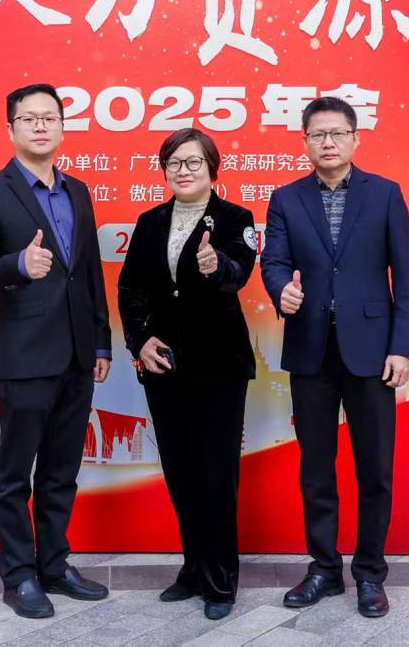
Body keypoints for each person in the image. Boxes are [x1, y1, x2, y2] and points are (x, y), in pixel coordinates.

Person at [260, 96, 409, 618]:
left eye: (337, 133)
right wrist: (282, 290)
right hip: (311, 350)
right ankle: (324, 569)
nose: (327, 143)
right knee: (316, 468)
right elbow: (274, 261)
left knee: (375, 469)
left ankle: (370, 574)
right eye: (317, 135)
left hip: (372, 352)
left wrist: (401, 346)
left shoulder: (385, 194)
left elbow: (407, 277)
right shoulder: (286, 198)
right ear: (304, 141)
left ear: (355, 138)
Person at [0, 83, 113, 619]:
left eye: (50, 117)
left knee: (60, 471)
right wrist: (18, 266)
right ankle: (19, 576)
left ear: (63, 128)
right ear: (11, 129)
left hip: (77, 356)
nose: (41, 126)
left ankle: (54, 564)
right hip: (25, 356)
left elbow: (89, 273)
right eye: (29, 119)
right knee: (14, 474)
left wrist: (100, 340)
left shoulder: (78, 192)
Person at [117, 128, 258, 621]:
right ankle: (193, 569)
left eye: (194, 162)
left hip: (218, 367)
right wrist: (140, 340)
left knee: (216, 474)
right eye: (174, 162)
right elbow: (131, 288)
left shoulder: (236, 218)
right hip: (165, 366)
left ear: (212, 168)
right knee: (180, 472)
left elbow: (240, 271)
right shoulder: (149, 222)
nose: (183, 170)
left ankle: (220, 582)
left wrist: (215, 265)